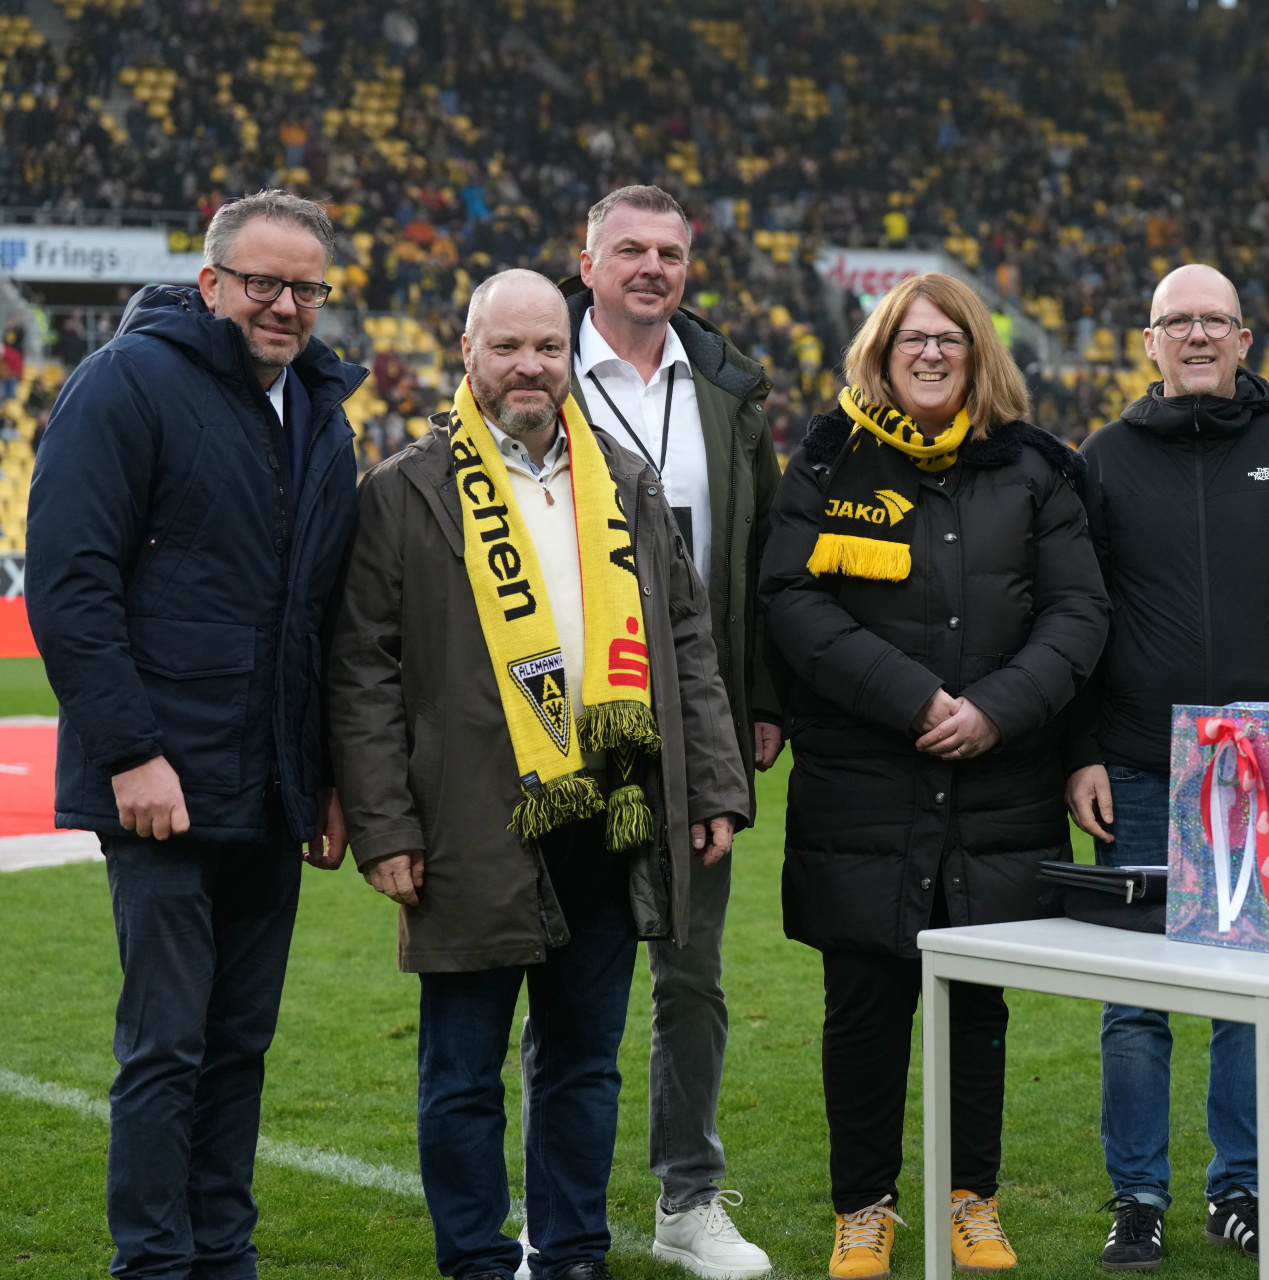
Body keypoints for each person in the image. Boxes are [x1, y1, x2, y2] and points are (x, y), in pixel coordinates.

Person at [326, 269, 754, 1280]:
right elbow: (361, 673)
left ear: (570, 356)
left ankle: (573, 1254)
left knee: (583, 1063)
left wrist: (716, 785)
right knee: (462, 1070)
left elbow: (685, 641)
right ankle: (476, 1259)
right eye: (508, 347)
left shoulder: (626, 478)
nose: (531, 367)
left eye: (549, 348)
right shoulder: (403, 490)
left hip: (609, 815)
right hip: (469, 820)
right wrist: (385, 825)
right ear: (465, 351)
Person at [25, 190, 365, 1280]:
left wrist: (320, 774)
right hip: (160, 780)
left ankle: (225, 1253)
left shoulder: (319, 410)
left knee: (239, 1044)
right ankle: (154, 1262)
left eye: (305, 287)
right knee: (165, 1046)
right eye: (262, 281)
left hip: (268, 784)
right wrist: (130, 750)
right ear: (210, 282)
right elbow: (71, 585)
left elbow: (319, 616)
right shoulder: (126, 380)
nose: (283, 304)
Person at [760, 272, 1107, 1278]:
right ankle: (862, 1208)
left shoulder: (1037, 468)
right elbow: (789, 599)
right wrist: (916, 698)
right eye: (911, 338)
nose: (929, 354)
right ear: (880, 349)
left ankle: (973, 1198)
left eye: (949, 338)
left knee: (976, 1009)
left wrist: (995, 707)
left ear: (977, 352)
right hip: (864, 778)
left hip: (1000, 778)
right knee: (863, 1003)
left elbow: (1079, 610)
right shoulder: (828, 457)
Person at [1064, 263, 1269, 1271]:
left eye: (1215, 320)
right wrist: (1083, 753)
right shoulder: (1103, 460)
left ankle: (1239, 1186)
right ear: (1147, 341)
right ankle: (1138, 1194)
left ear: (1246, 339)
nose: (1196, 335)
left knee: (1254, 987)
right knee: (1137, 994)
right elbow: (1076, 619)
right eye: (1176, 321)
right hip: (1144, 770)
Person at [561, 185, 782, 1275]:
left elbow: (763, 562)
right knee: (562, 976)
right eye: (631, 249)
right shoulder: (532, 370)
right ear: (587, 259)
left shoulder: (729, 392)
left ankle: (688, 1198)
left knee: (690, 976)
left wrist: (764, 698)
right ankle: (556, 1211)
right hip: (559, 729)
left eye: (671, 252)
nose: (653, 267)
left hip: (697, 726)